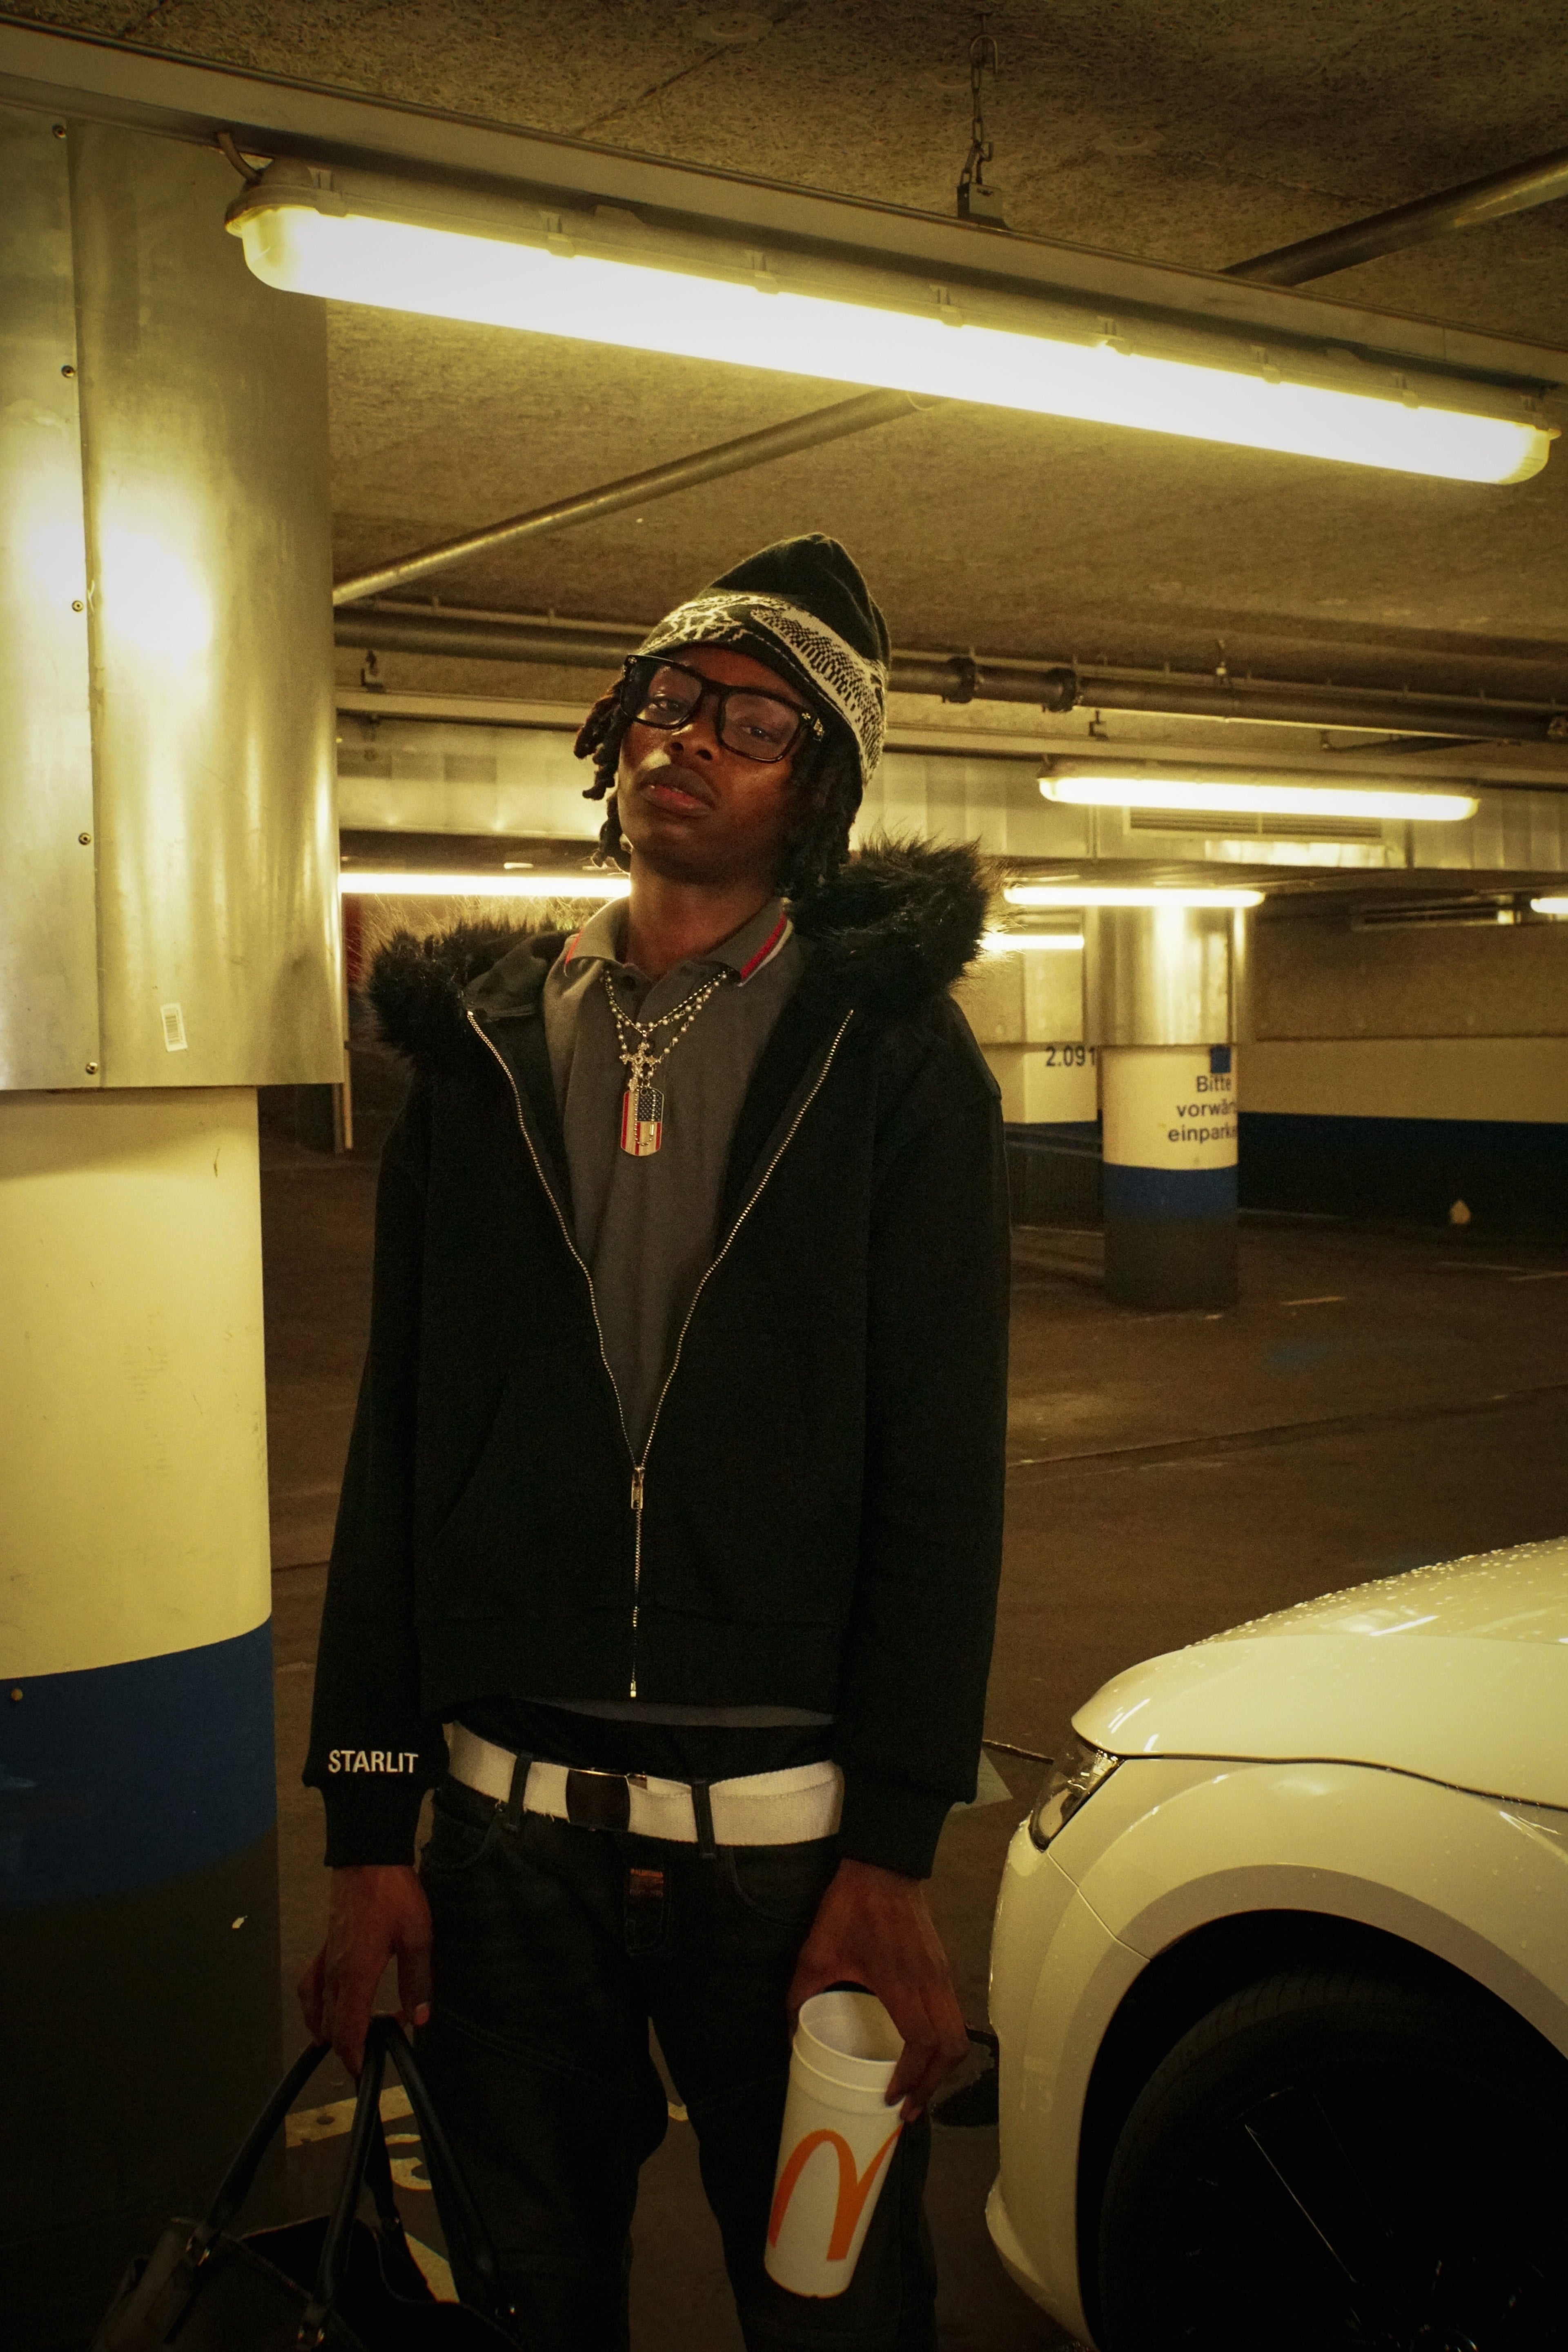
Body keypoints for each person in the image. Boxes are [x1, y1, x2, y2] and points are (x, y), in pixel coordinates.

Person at [300, 535, 1011, 2350]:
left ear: (820, 790)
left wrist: (898, 1852)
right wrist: (370, 1821)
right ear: (617, 727)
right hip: (496, 1836)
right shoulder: (473, 1050)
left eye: (755, 721)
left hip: (788, 1850)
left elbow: (941, 1465)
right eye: (672, 696)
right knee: (509, 2308)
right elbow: (398, 1445)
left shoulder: (894, 1063)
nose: (691, 736)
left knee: (837, 2313)